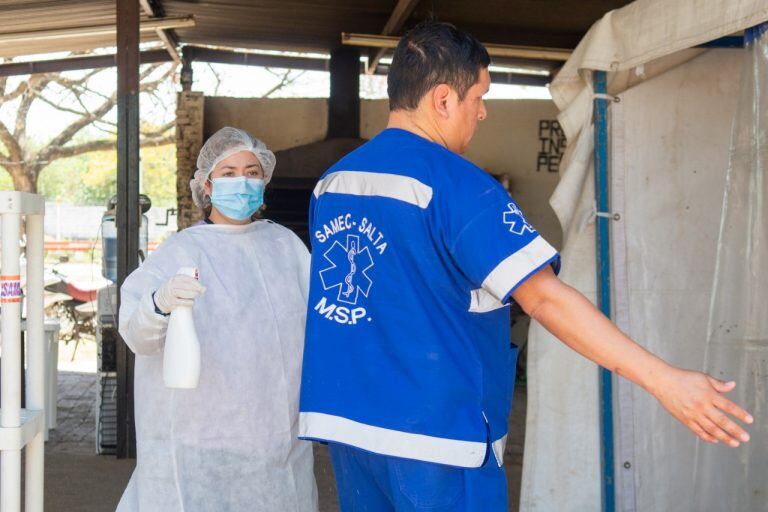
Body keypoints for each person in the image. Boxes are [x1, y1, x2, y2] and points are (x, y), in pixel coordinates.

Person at [298, 21, 753, 511]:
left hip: (348, 426)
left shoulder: (334, 182)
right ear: (444, 100)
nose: (483, 112)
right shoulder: (458, 185)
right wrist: (664, 380)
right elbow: (543, 297)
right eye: (479, 96)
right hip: (437, 439)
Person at [116, 127, 318, 512]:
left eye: (252, 172)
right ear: (206, 186)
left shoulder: (287, 248)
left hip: (275, 440)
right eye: (228, 173)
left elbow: (323, 327)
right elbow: (136, 334)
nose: (242, 182)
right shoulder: (182, 251)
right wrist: (159, 303)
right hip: (200, 438)